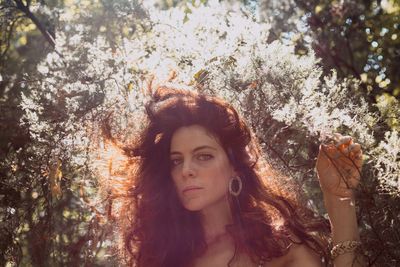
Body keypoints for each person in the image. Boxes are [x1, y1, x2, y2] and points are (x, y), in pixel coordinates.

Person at [102, 86, 364, 267]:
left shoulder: (282, 250)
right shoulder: (163, 257)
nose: (186, 170)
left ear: (235, 167)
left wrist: (339, 198)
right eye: (176, 161)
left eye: (203, 156)